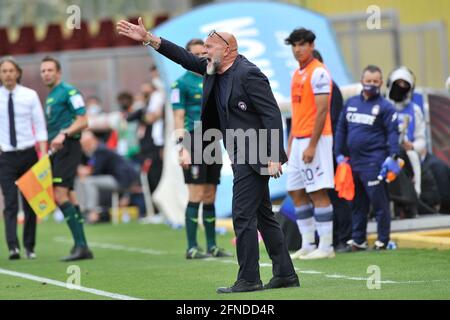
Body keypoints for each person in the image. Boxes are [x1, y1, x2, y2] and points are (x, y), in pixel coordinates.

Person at [117, 17, 299, 293]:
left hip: (257, 149)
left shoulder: (248, 73)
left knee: (242, 215)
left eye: (209, 46)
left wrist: (274, 155)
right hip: (237, 149)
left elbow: (271, 113)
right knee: (263, 215)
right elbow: (183, 58)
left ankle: (249, 279)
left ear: (228, 49)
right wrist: (149, 38)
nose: (204, 51)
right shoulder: (213, 68)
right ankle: (285, 273)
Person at [171, 38, 231, 259]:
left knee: (210, 194)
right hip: (192, 139)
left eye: (202, 53)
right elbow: (178, 116)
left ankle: (212, 245)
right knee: (195, 192)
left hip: (212, 138)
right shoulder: (180, 84)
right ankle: (191, 247)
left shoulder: (214, 77)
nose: (200, 57)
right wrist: (182, 147)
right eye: (194, 54)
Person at [335, 65, 401, 251]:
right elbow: (341, 128)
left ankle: (382, 240)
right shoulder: (351, 103)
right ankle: (359, 240)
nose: (371, 84)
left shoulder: (386, 107)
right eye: (368, 81)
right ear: (362, 81)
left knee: (379, 204)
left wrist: (393, 155)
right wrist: (338, 153)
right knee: (357, 204)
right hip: (352, 162)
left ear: (380, 83)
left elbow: (392, 133)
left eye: (375, 81)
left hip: (374, 162)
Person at [285, 29, 335, 260]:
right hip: (298, 139)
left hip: (316, 139)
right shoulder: (297, 73)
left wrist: (312, 145)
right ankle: (307, 243)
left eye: (302, 44)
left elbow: (323, 110)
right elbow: (297, 112)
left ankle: (326, 247)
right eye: (294, 45)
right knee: (295, 190)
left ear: (312, 45)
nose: (298, 49)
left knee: (317, 191)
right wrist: (291, 141)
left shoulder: (319, 72)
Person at [40, 56, 93, 261]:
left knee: (60, 194)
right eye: (43, 71)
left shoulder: (69, 92)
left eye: (50, 70)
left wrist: (64, 133)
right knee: (69, 195)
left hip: (68, 147)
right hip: (56, 150)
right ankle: (82, 246)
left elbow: (83, 120)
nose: (46, 74)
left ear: (59, 73)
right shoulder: (51, 96)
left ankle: (81, 245)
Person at [0, 57, 48, 260]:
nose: (8, 74)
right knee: (10, 202)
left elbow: (40, 124)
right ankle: (13, 247)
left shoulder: (30, 95)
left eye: (11, 70)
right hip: (6, 157)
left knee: (31, 203)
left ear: (18, 73)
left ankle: (29, 246)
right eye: (4, 71)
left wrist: (43, 155)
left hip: (29, 154)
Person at [312, 49, 352, 252]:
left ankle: (343, 239)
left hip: (331, 148)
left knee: (337, 194)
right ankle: (332, 238)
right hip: (323, 148)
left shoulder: (329, 88)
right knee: (325, 193)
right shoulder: (317, 87)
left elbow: (333, 123)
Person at [76, 131, 140, 223]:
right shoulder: (92, 153)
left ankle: (91, 213)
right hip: (115, 178)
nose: (83, 147)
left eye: (85, 144)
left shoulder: (101, 150)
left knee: (89, 182)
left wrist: (85, 171)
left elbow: (96, 172)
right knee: (82, 181)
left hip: (121, 180)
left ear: (92, 141)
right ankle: (81, 209)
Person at [386, 66, 426, 196]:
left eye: (405, 84)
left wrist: (412, 146)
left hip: (408, 154)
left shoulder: (415, 110)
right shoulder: (383, 107)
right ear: (390, 84)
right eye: (398, 83)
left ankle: (414, 195)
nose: (401, 86)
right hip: (386, 151)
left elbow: (422, 139)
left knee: (413, 157)